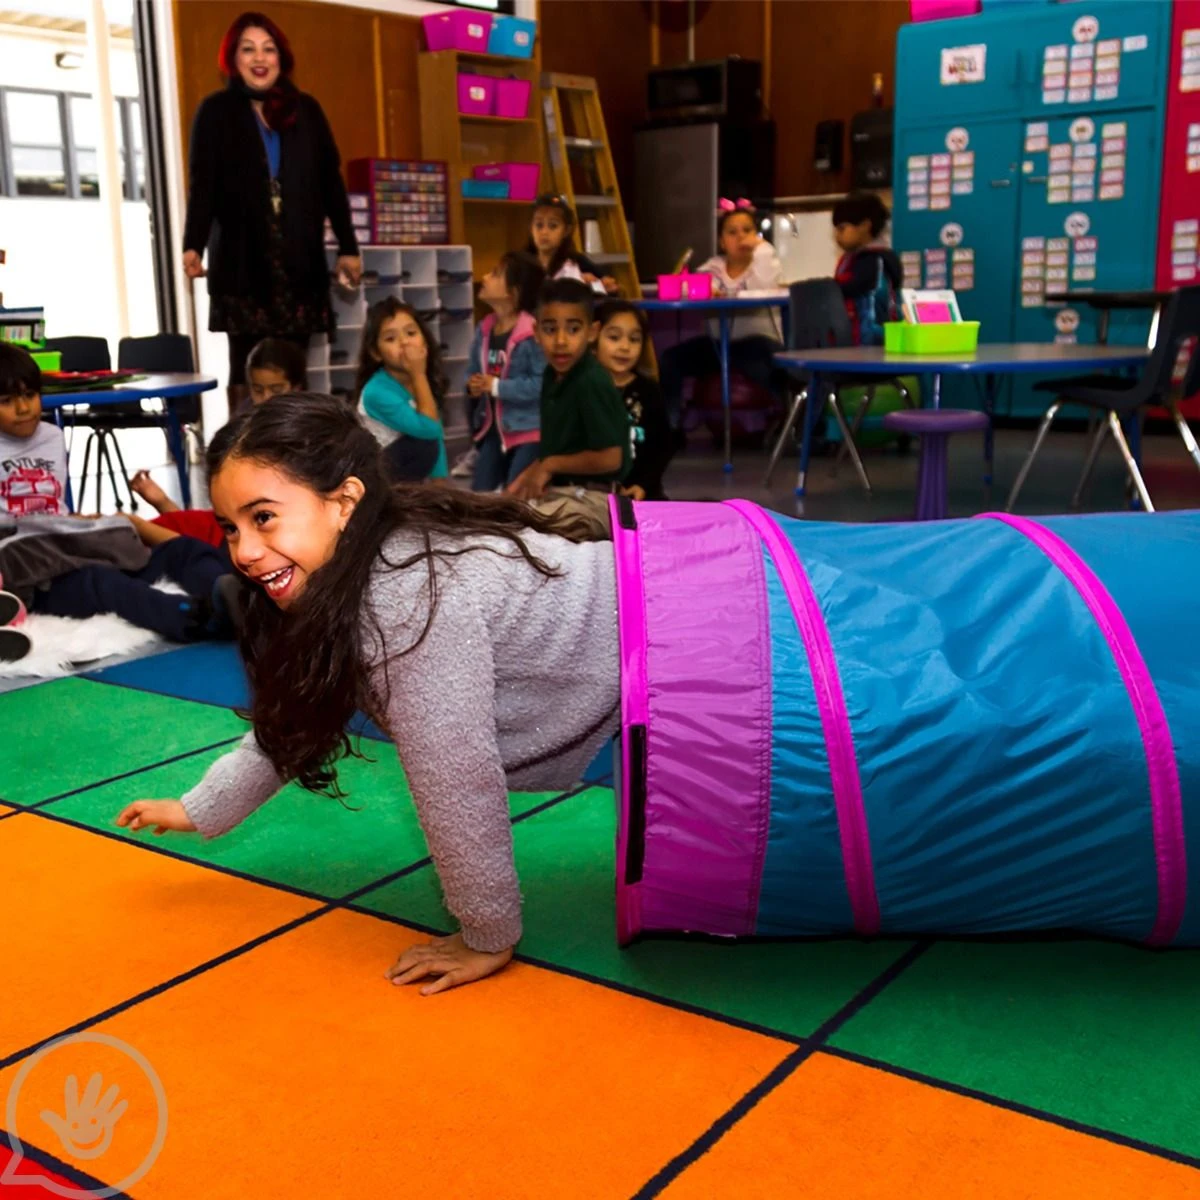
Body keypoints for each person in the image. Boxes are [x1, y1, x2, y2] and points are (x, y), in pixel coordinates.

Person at [115, 392, 616, 994]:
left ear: (344, 501)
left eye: (264, 517)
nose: (244, 551)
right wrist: (201, 807)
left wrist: (486, 933)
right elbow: (299, 714)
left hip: (685, 632)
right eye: (230, 527)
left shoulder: (400, 600)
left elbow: (454, 775)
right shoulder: (351, 564)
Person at [181, 10, 362, 414]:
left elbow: (331, 184)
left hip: (298, 262)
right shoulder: (215, 111)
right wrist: (192, 244)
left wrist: (349, 247)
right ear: (233, 58)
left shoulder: (307, 110)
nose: (259, 58)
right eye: (248, 49)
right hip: (242, 264)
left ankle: (298, 453)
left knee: (294, 367)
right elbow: (203, 185)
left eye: (268, 48)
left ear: (281, 58)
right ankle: (243, 456)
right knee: (246, 368)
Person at [0, 345, 238, 643]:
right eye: (7, 401)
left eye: (30, 395)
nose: (23, 408)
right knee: (100, 582)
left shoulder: (51, 437)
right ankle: (192, 617)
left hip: (65, 541)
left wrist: (76, 522)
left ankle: (234, 600)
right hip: (33, 573)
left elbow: (53, 506)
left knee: (182, 549)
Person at [130, 337, 309, 548]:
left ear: (296, 388)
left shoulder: (305, 431)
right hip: (239, 520)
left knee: (144, 530)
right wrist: (161, 501)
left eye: (276, 389)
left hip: (269, 529)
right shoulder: (244, 425)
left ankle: (135, 526)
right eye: (258, 390)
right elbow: (215, 524)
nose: (266, 398)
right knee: (196, 528)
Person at [506, 278, 630, 538]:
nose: (561, 341)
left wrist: (549, 465)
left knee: (535, 535)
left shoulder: (591, 381)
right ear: (536, 333)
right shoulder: (552, 376)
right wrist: (518, 486)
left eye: (573, 330)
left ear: (592, 332)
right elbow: (555, 451)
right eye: (551, 330)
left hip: (597, 501)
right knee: (500, 519)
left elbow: (611, 458)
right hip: (564, 492)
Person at [657, 199, 785, 434]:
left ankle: (786, 421)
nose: (741, 238)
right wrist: (705, 291)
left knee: (764, 366)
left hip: (757, 342)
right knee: (670, 360)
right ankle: (671, 426)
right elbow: (687, 287)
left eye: (747, 231)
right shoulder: (712, 267)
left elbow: (760, 286)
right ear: (722, 242)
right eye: (732, 232)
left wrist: (761, 248)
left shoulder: (765, 264)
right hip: (718, 345)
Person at [466, 252, 546, 492]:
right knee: (479, 496)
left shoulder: (531, 332)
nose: (485, 277)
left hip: (528, 431)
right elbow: (473, 368)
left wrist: (496, 387)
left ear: (513, 292)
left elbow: (540, 383)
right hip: (493, 429)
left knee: (517, 495)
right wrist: (473, 384)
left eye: (495, 274)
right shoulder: (485, 327)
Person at [355, 298, 447, 484]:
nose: (404, 342)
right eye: (391, 338)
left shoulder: (419, 380)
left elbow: (436, 434)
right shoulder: (377, 392)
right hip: (372, 478)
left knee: (425, 440)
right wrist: (418, 374)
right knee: (423, 443)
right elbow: (429, 430)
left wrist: (442, 492)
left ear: (425, 342)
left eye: (411, 333)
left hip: (399, 465)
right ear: (376, 353)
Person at [593, 300, 673, 501]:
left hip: (642, 495)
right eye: (614, 337)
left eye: (634, 339)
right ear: (593, 338)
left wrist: (643, 484)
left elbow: (662, 447)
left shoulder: (649, 391)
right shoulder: (584, 388)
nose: (625, 347)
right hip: (594, 496)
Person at [832, 191, 902, 346]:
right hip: (862, 337)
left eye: (842, 228)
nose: (837, 236)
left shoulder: (874, 259)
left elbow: (858, 286)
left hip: (872, 339)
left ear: (865, 226)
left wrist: (826, 288)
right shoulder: (858, 258)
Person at [526, 194, 618, 294]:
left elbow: (611, 288)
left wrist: (598, 285)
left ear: (566, 230)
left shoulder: (577, 262)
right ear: (531, 228)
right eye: (539, 225)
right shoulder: (521, 263)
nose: (544, 232)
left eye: (553, 226)